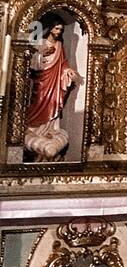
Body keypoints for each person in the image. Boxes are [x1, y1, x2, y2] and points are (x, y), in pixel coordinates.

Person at [25, 13, 83, 162]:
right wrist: (41, 55)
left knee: (53, 104)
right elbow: (32, 64)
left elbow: (62, 64)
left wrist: (67, 71)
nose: (58, 32)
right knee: (38, 103)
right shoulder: (41, 42)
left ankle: (49, 130)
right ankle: (35, 131)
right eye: (56, 29)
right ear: (50, 28)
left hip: (55, 83)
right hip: (41, 82)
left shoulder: (60, 45)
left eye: (61, 30)